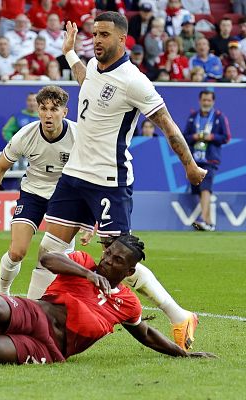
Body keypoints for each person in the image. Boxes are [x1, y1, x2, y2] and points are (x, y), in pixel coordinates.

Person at [30, 12, 207, 351]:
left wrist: (190, 166)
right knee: (49, 250)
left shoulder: (134, 81)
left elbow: (167, 124)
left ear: (122, 39)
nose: (97, 40)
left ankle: (178, 314)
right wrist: (70, 54)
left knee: (117, 262)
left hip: (109, 181)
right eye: (94, 34)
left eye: (104, 35)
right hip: (74, 177)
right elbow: (87, 82)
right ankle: (29, 314)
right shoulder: (95, 68)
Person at [0, 235, 215, 367]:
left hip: (51, 350)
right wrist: (87, 274)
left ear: (130, 268)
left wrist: (183, 353)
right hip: (32, 314)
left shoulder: (127, 303)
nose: (108, 261)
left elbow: (145, 334)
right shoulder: (82, 264)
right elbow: (48, 258)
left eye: (118, 260)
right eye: (109, 253)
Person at [0, 86, 82, 295]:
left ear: (64, 112)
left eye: (54, 109)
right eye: (43, 109)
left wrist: (89, 217)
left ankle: (42, 303)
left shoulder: (79, 136)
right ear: (38, 111)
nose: (48, 114)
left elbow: (92, 175)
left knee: (52, 254)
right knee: (17, 251)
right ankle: (2, 293)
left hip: (65, 196)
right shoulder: (25, 135)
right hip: (33, 192)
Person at [183, 90, 231, 232]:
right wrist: (195, 136)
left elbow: (226, 137)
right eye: (204, 100)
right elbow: (184, 137)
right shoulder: (193, 117)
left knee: (205, 188)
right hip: (194, 159)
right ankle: (209, 223)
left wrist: (212, 137)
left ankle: (203, 219)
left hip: (210, 159)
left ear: (213, 102)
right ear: (200, 101)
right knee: (197, 189)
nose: (206, 103)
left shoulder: (219, 117)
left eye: (209, 100)